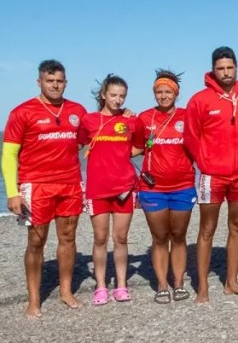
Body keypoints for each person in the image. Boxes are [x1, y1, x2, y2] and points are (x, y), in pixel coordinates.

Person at [1, 60, 89, 318]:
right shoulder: (22, 112)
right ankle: (34, 300)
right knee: (36, 243)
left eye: (59, 81)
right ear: (39, 82)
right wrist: (12, 192)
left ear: (66, 82)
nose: (55, 85)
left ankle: (65, 291)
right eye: (50, 81)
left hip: (70, 183)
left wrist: (123, 116)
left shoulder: (77, 110)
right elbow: (9, 155)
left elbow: (90, 138)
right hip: (35, 185)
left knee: (68, 238)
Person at [185, 46, 238, 303]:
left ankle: (231, 282)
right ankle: (203, 286)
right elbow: (191, 137)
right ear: (213, 70)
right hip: (212, 175)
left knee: (237, 227)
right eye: (220, 68)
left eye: (229, 67)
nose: (225, 72)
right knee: (207, 229)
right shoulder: (200, 100)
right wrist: (205, 163)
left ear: (236, 68)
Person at [133, 70, 196, 304]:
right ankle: (162, 285)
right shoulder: (144, 118)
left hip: (183, 186)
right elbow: (135, 147)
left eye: (168, 92)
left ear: (176, 93)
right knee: (159, 237)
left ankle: (178, 283)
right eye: (159, 92)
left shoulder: (187, 116)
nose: (163, 96)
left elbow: (205, 141)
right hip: (153, 188)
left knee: (178, 236)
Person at [79, 74, 139, 305]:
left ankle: (122, 285)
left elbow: (141, 145)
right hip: (97, 188)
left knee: (121, 238)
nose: (118, 100)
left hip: (124, 187)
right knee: (100, 238)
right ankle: (101, 286)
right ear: (103, 95)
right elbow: (77, 143)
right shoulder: (89, 120)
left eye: (122, 96)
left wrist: (121, 156)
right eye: (113, 95)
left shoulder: (130, 121)